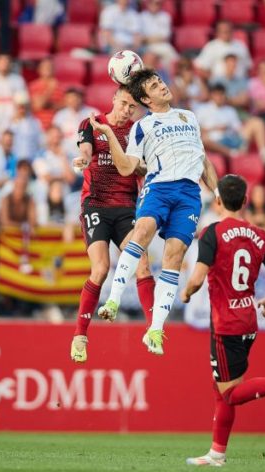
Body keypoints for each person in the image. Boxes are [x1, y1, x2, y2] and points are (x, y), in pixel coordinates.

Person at [180, 174, 265, 467]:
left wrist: (186, 293)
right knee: (223, 390)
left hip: (225, 324)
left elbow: (198, 277)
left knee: (229, 393)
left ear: (218, 202)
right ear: (244, 201)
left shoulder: (211, 233)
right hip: (249, 321)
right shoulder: (260, 235)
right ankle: (217, 453)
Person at [93, 68, 218, 355]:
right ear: (146, 99)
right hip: (159, 188)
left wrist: (218, 191)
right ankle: (112, 299)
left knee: (174, 256)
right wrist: (110, 134)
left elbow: (203, 160)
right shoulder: (143, 127)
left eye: (160, 80)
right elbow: (126, 167)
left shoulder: (190, 117)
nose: (162, 86)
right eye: (154, 85)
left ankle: (156, 330)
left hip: (189, 194)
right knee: (144, 231)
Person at [69, 87, 155, 364]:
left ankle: (154, 327)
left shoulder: (137, 131)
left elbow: (143, 168)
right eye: (124, 104)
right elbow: (85, 148)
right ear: (114, 99)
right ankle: (80, 335)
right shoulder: (92, 123)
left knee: (142, 263)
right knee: (101, 268)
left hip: (126, 207)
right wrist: (83, 158)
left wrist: (138, 167)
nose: (127, 110)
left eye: (132, 107)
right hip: (95, 204)